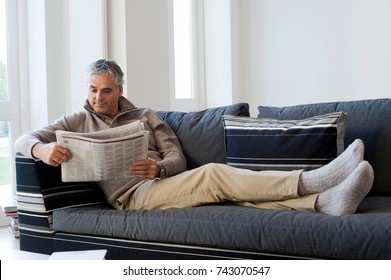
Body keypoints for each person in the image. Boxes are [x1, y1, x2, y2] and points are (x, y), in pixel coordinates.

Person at [14, 59, 374, 216]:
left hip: (156, 184)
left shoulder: (146, 116)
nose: (98, 98)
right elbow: (22, 139)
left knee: (228, 193)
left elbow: (177, 158)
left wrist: (158, 168)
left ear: (120, 89)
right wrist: (42, 148)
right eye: (93, 89)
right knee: (214, 174)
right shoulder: (77, 119)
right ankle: (317, 178)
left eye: (106, 91)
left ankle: (325, 201)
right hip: (130, 199)